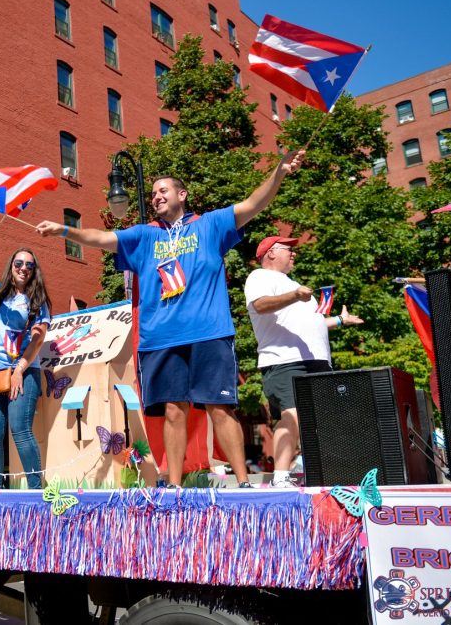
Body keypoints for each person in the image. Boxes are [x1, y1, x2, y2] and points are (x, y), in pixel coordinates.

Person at [36, 150, 306, 487]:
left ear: (182, 195)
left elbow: (254, 203)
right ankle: (175, 487)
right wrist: (65, 231)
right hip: (161, 338)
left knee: (219, 409)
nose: (156, 196)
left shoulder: (210, 224)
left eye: (163, 190)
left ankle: (244, 483)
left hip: (209, 333)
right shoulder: (145, 235)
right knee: (174, 412)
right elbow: (102, 239)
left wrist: (279, 172)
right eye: (152, 194)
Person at [244, 235, 364, 487]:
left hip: (317, 362)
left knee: (321, 419)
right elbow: (261, 305)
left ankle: (322, 473)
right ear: (271, 253)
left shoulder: (294, 284)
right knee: (293, 417)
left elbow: (311, 324)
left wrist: (340, 320)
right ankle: (280, 476)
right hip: (285, 360)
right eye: (289, 249)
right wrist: (295, 295)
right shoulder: (260, 277)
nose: (294, 253)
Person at [0, 235, 51, 490]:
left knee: (20, 429)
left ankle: (36, 490)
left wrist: (19, 369)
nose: (23, 268)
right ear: (11, 266)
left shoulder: (38, 302)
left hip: (24, 371)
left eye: (29, 265)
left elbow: (37, 342)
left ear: (34, 272)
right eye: (19, 263)